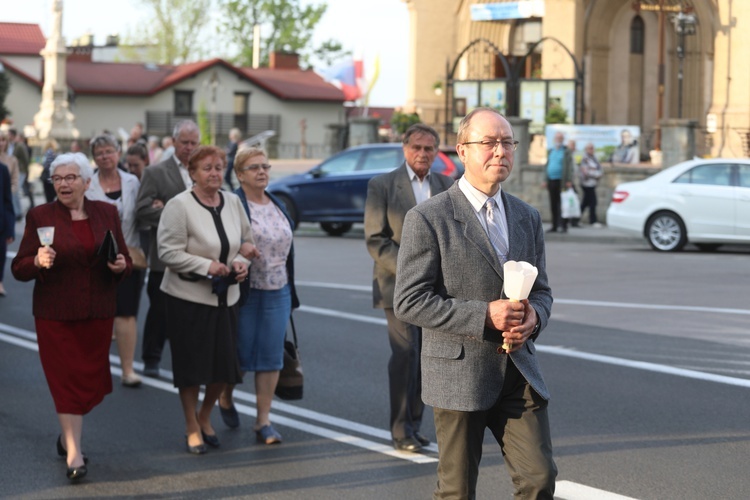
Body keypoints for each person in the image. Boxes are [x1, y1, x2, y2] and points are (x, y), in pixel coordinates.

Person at [394, 107, 557, 498]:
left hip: (518, 371)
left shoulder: (526, 216)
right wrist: (485, 314)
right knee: (457, 490)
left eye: (507, 142)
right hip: (459, 375)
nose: (500, 151)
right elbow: (410, 300)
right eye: (489, 142)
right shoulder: (429, 217)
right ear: (462, 150)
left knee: (539, 479)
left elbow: (543, 291)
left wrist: (534, 317)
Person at [11, 152, 131, 481]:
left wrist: (121, 266)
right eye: (58, 179)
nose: (64, 184)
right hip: (55, 313)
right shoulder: (40, 216)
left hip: (96, 312)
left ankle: (68, 435)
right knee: (64, 382)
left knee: (86, 383)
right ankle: (75, 453)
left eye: (71, 177)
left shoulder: (107, 212)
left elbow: (124, 257)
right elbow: (18, 267)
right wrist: (36, 261)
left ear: (86, 182)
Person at [157, 145, 257, 454]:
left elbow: (248, 242)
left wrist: (242, 262)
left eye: (218, 167)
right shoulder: (179, 205)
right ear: (192, 173)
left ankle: (205, 414)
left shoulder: (233, 201)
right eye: (206, 168)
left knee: (225, 368)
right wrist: (206, 266)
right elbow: (168, 252)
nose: (214, 173)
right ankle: (191, 425)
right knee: (191, 368)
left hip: (227, 297)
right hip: (187, 298)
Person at [364, 123, 453, 453]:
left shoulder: (446, 184)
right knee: (405, 353)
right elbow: (376, 239)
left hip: (435, 289)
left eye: (429, 148)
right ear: (404, 149)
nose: (422, 154)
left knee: (427, 357)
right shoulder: (383, 185)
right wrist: (413, 271)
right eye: (416, 147)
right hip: (397, 284)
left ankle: (415, 424)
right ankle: (400, 428)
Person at [218, 147, 299, 443]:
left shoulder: (276, 202)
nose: (262, 171)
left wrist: (291, 290)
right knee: (237, 356)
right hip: (244, 291)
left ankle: (263, 421)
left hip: (279, 290)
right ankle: (225, 397)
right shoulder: (232, 204)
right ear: (239, 175)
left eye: (265, 165)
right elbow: (221, 243)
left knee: (270, 357)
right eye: (253, 167)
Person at [136, 120, 199, 377]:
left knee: (192, 314)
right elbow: (141, 210)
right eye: (184, 142)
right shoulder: (156, 172)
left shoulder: (203, 170)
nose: (189, 147)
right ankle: (151, 359)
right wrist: (169, 215)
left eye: (194, 142)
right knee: (160, 310)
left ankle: (188, 362)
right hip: (165, 257)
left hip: (198, 255)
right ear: (174, 142)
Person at [86, 134, 144, 388]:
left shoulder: (133, 181)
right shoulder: (86, 183)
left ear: (118, 153)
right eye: (99, 153)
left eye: (109, 151)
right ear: (94, 158)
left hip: (129, 253)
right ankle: (95, 368)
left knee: (127, 313)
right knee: (97, 313)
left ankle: (128, 369)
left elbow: (142, 213)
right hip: (95, 257)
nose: (105, 157)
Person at [543, 131, 574, 233]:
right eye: (557, 138)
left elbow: (570, 166)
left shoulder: (566, 151)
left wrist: (569, 180)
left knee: (563, 204)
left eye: (560, 138)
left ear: (563, 140)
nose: (558, 140)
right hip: (552, 180)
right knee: (553, 203)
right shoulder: (551, 151)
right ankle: (554, 225)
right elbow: (547, 166)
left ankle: (564, 226)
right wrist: (545, 180)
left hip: (562, 181)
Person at [579, 142, 604, 227]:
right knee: (593, 202)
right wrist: (597, 174)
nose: (592, 150)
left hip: (592, 183)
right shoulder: (585, 159)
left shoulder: (594, 158)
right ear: (586, 149)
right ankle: (593, 220)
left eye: (592, 148)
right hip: (586, 184)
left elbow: (599, 168)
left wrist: (598, 173)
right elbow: (586, 172)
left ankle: (576, 219)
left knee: (585, 203)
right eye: (590, 148)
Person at [8, 129, 33, 212]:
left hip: (21, 171)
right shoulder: (11, 145)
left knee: (15, 191)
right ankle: (16, 210)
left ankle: (17, 211)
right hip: (14, 171)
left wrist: (26, 172)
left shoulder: (19, 146)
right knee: (15, 191)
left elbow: (26, 159)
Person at [0, 160, 14, 297]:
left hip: (1, 223)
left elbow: (7, 199)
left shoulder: (3, 169)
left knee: (1, 254)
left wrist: (10, 228)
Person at [0, 131, 21, 221]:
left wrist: (6, 193)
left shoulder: (12, 160)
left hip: (5, 201)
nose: (1, 143)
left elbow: (15, 181)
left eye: (3, 140)